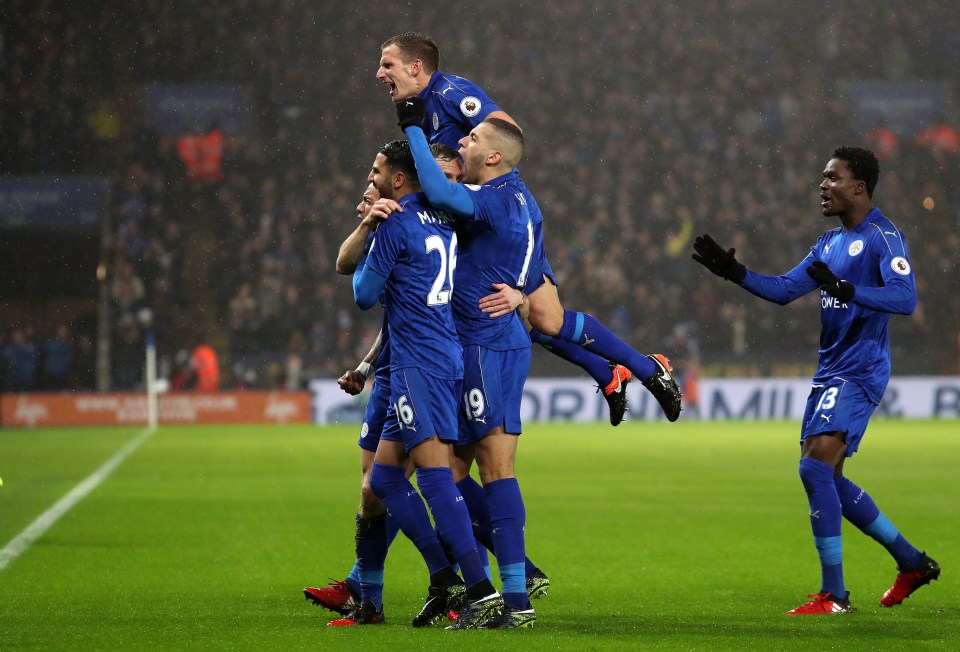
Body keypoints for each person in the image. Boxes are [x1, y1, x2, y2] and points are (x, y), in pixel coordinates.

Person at [378, 32, 681, 424]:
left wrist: (471, 174)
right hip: (473, 217)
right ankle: (612, 373)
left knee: (540, 316)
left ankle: (645, 369)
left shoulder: (451, 92)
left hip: (494, 216)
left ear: (414, 67)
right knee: (537, 319)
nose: (379, 74)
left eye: (388, 65)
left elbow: (506, 128)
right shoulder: (420, 108)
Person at [691, 146, 939, 615]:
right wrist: (735, 273)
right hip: (830, 369)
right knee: (829, 478)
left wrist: (848, 290)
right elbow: (785, 290)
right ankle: (912, 562)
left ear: (859, 187)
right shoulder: (827, 244)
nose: (822, 185)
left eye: (832, 178)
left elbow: (904, 298)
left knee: (812, 470)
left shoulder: (884, 237)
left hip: (860, 368)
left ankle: (835, 595)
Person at [389, 114, 540, 629]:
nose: (464, 141)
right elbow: (534, 257)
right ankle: (503, 593)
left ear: (494, 156)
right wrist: (521, 287)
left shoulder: (494, 197)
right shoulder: (524, 199)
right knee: (460, 472)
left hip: (482, 343)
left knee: (481, 472)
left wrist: (412, 131)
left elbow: (439, 189)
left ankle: (505, 598)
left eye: (473, 138)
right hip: (500, 344)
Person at [345, 139, 500, 627]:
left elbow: (363, 294)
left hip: (418, 364)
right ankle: (444, 576)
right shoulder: (443, 219)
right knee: (385, 479)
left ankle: (479, 590)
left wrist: (375, 231)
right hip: (444, 355)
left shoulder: (396, 222)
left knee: (435, 479)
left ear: (397, 180)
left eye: (377, 174)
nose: (371, 181)